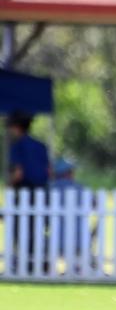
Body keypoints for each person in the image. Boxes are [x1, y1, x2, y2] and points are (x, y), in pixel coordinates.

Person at [7, 111, 50, 272]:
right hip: (42, 193)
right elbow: (48, 171)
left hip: (25, 192)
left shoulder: (17, 146)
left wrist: (10, 187)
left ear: (16, 127)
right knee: (38, 229)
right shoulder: (41, 146)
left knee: (21, 229)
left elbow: (18, 173)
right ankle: (38, 262)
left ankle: (25, 263)